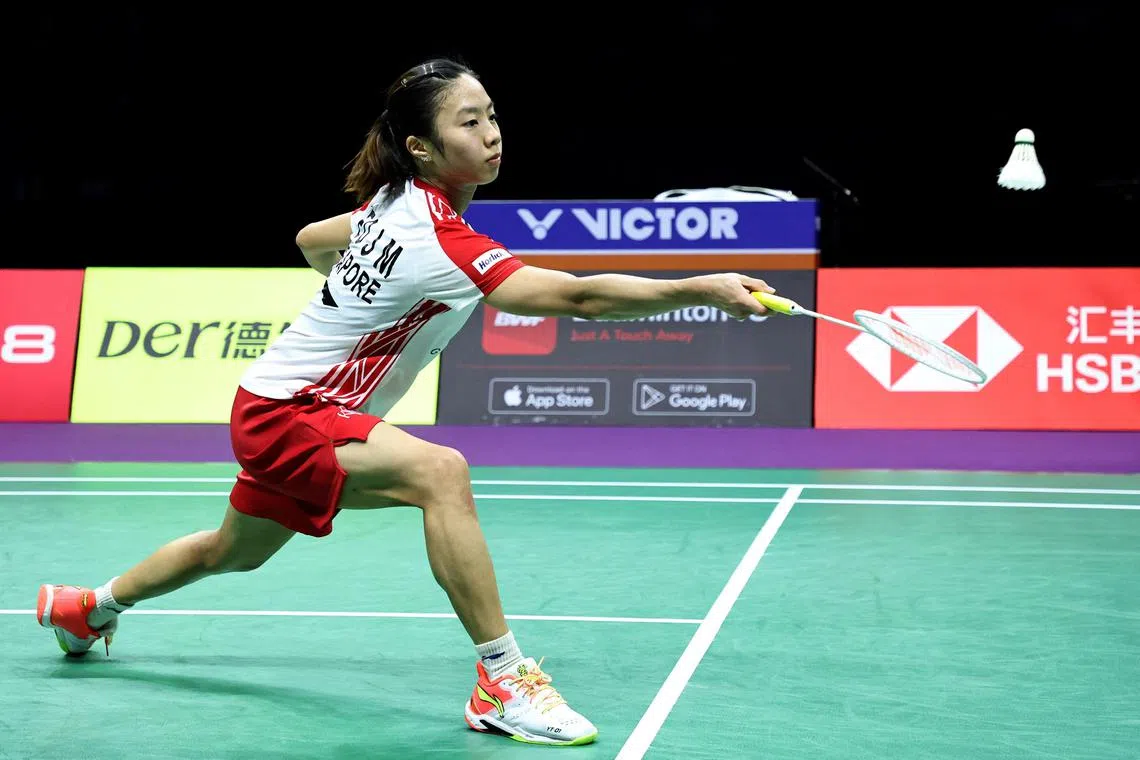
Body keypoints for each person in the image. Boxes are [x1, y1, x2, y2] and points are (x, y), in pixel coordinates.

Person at [35, 57, 777, 747]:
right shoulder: (436, 238)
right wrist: (696, 287)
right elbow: (576, 297)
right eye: (468, 122)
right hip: (292, 410)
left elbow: (308, 238)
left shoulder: (395, 201)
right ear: (421, 146)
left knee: (234, 553)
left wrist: (352, 280)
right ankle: (503, 681)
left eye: (491, 116)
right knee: (440, 472)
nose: (490, 134)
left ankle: (86, 608)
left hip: (273, 401)